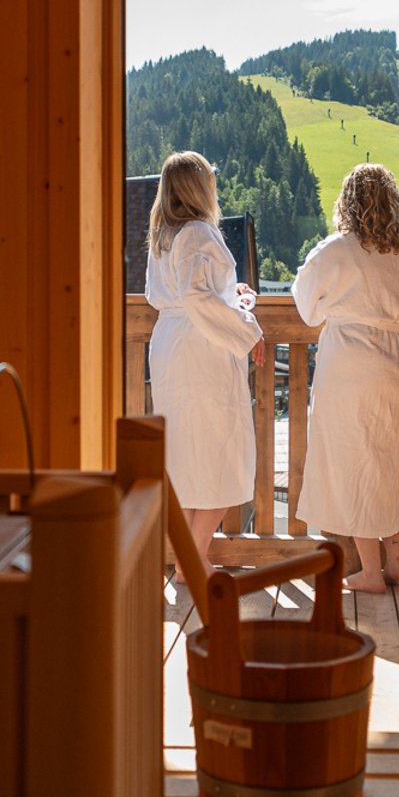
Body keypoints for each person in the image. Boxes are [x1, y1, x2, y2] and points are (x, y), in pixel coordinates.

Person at [293, 163, 399, 593]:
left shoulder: (336, 249)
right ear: (392, 199)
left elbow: (306, 306)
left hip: (352, 365)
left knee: (355, 462)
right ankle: (395, 557)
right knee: (389, 460)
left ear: (347, 201)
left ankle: (371, 572)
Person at [144, 151, 266, 573]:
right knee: (218, 453)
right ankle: (191, 561)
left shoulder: (164, 236)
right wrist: (249, 331)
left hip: (171, 348)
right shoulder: (198, 232)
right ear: (199, 189)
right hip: (200, 352)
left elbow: (192, 294)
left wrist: (234, 297)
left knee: (189, 456)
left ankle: (187, 560)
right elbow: (198, 298)